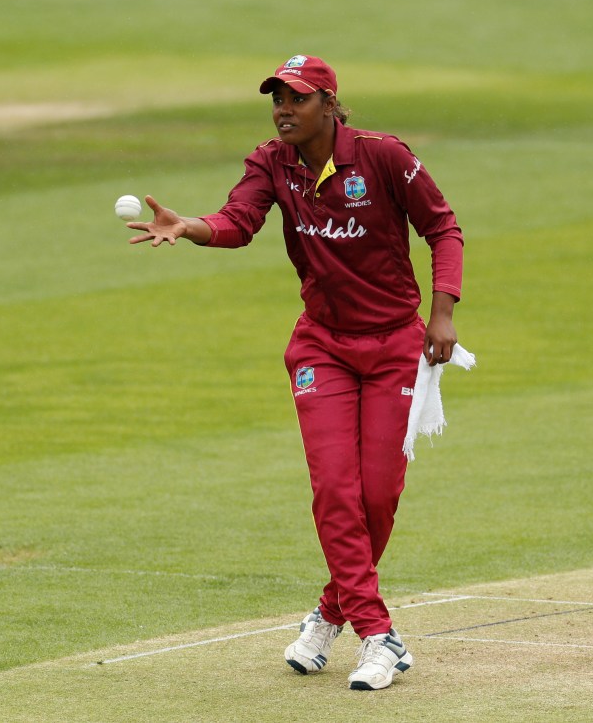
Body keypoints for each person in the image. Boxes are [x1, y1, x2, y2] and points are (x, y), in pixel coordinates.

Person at [125, 54, 465, 687]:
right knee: (336, 491)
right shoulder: (271, 162)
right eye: (276, 100)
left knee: (376, 496)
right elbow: (238, 222)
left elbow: (443, 228)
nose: (283, 110)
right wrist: (191, 227)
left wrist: (442, 314)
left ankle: (328, 614)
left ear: (330, 105)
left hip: (395, 344)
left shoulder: (383, 156)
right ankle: (378, 634)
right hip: (322, 347)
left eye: (297, 100)